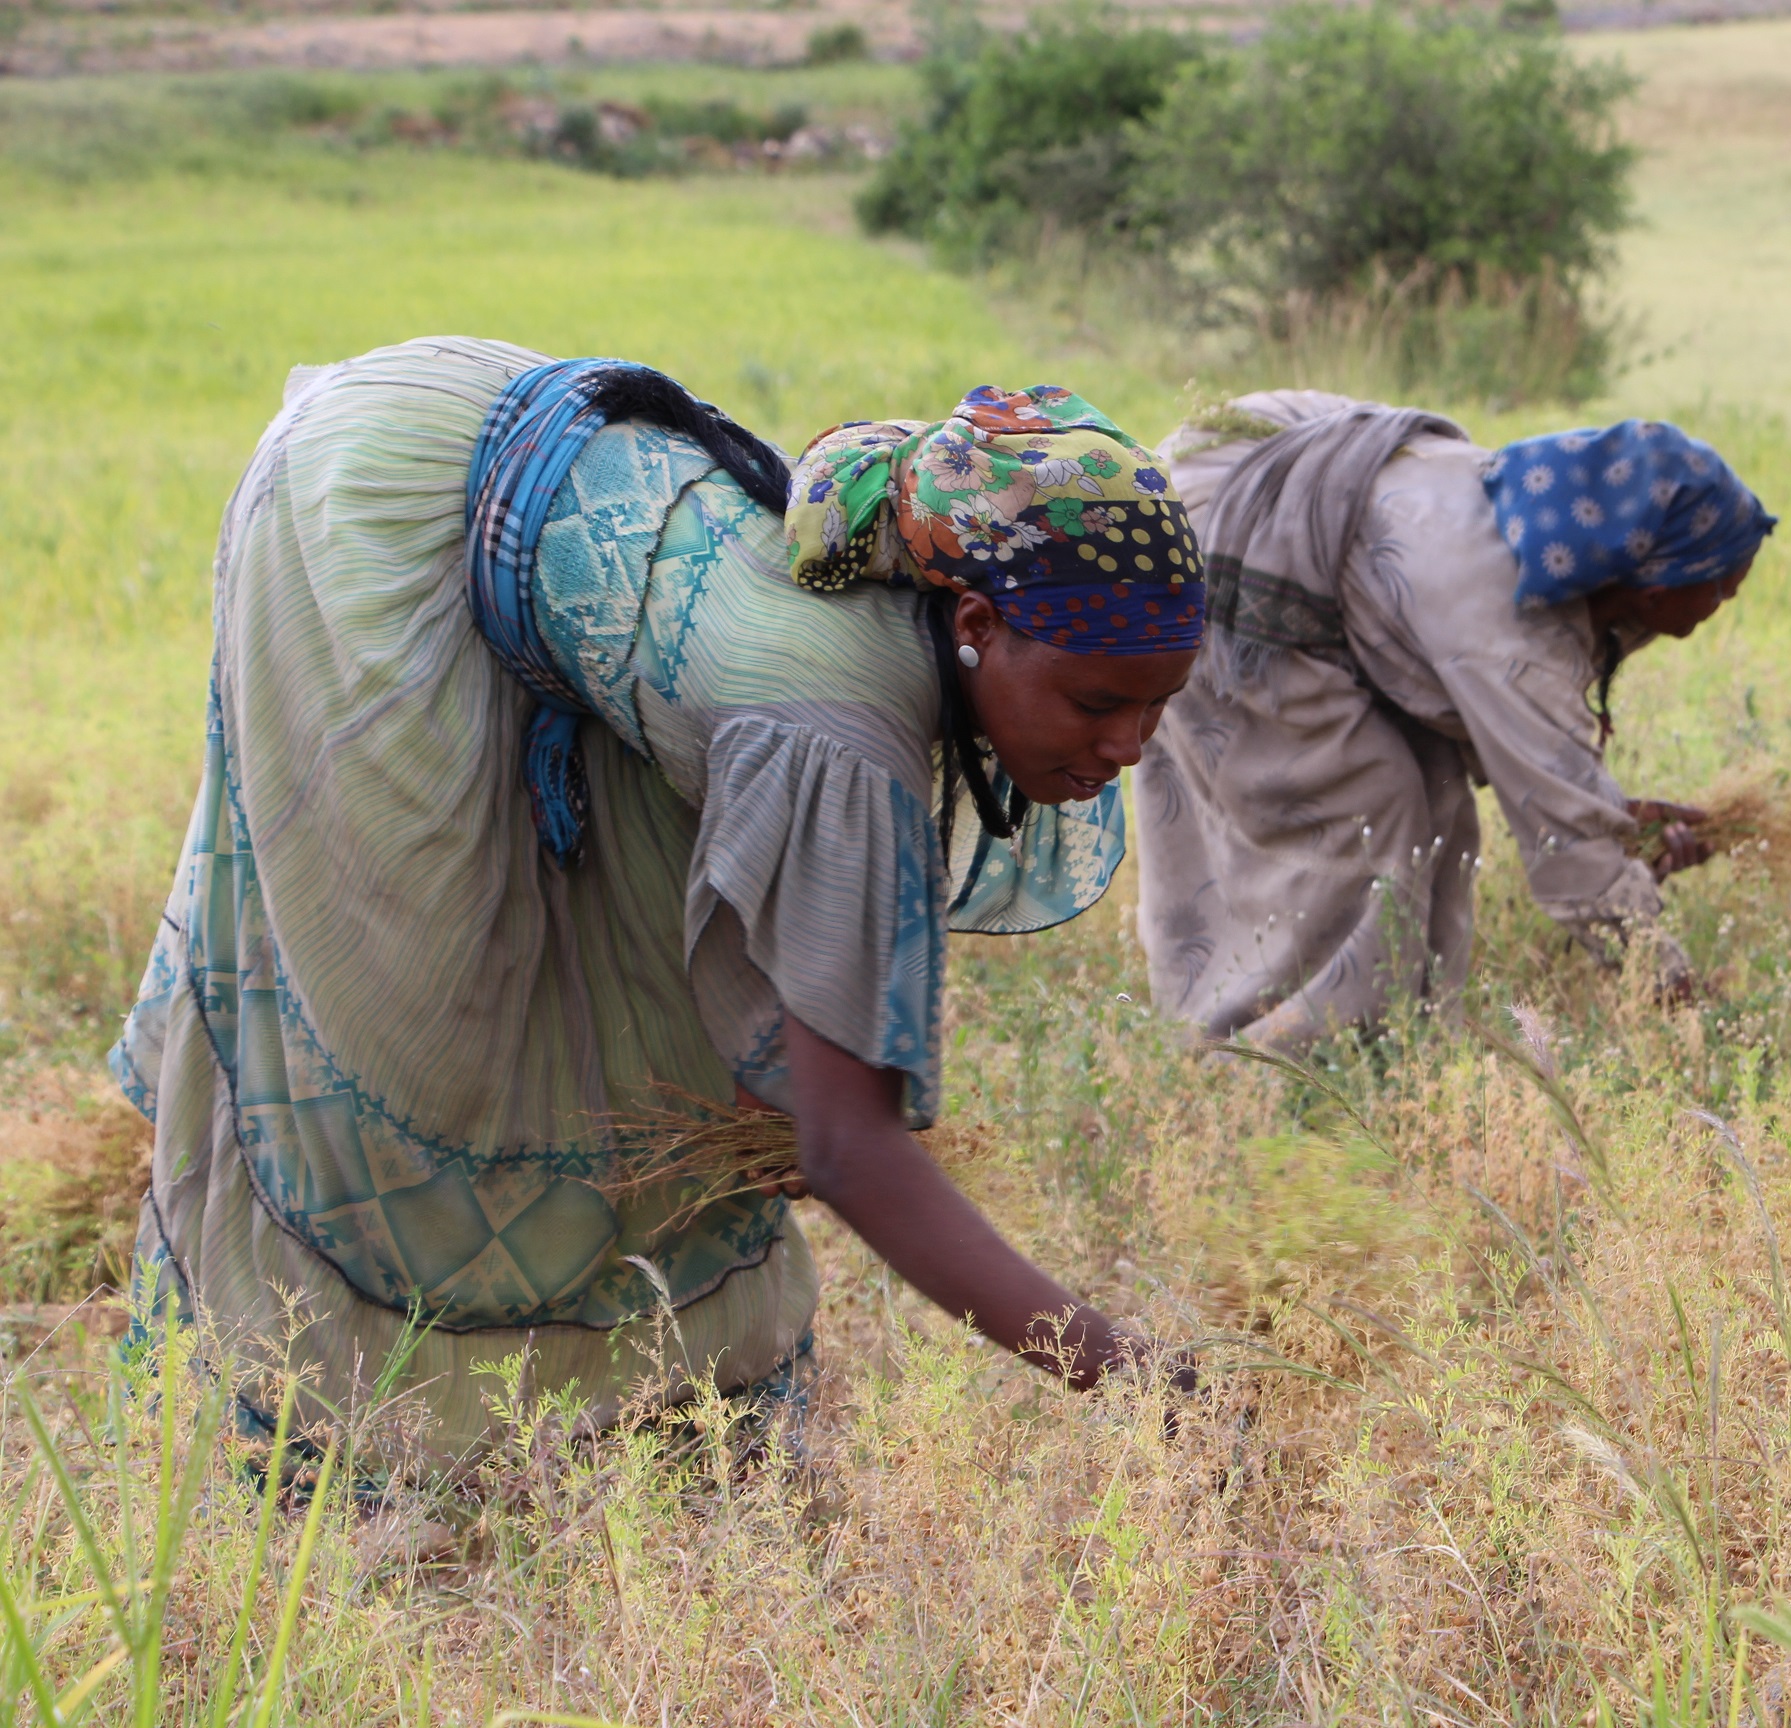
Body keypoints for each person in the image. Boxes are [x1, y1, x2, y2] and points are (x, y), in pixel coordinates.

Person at [109, 337, 1203, 1463]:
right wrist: (1133, 1378)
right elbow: (848, 1149)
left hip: (561, 488)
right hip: (384, 506)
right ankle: (338, 1442)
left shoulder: (913, 604)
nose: (1127, 744)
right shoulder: (828, 725)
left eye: (1159, 707)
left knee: (657, 1012)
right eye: (1095, 701)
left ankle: (654, 1432)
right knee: (407, 1019)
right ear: (971, 625)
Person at [1135, 392, 1773, 1047]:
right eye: (1722, 587)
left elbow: (1537, 760)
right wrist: (1681, 999)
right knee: (1373, 811)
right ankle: (1288, 1051)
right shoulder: (1508, 630)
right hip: (1218, 529)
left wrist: (1611, 819)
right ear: (1656, 585)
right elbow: (1570, 857)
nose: (1726, 602)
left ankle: (1405, 1035)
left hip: (1273, 481)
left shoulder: (1548, 533)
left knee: (1434, 789)